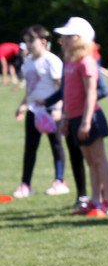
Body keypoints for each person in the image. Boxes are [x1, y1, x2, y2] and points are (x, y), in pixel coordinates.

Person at [55, 17, 108, 217]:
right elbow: (67, 92)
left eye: (68, 36)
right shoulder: (69, 61)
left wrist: (86, 122)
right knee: (89, 161)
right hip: (73, 118)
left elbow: (91, 93)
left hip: (89, 118)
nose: (62, 40)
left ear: (80, 38)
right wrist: (65, 117)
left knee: (99, 159)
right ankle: (95, 200)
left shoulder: (87, 61)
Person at [13, 25, 68, 198]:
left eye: (32, 41)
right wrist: (23, 105)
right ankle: (25, 184)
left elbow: (61, 87)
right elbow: (30, 88)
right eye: (26, 41)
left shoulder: (52, 61)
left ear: (43, 42)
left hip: (52, 110)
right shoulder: (28, 62)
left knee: (56, 145)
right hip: (33, 110)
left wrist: (59, 108)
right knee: (30, 148)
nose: (28, 45)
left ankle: (60, 181)